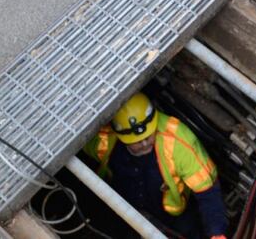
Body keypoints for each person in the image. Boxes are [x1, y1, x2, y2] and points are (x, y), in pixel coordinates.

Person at [83, 92, 228, 238]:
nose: (145, 143)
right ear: (120, 136)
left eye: (148, 136)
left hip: (172, 213)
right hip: (125, 209)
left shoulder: (178, 142)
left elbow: (207, 190)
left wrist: (216, 232)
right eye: (137, 141)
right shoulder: (104, 139)